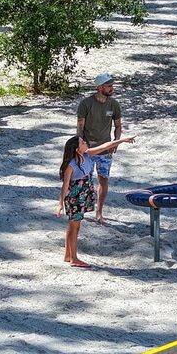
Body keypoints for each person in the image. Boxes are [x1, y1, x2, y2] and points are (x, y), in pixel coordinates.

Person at [57, 133, 135, 267]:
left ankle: (68, 255)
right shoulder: (71, 165)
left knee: (74, 225)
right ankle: (74, 258)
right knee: (74, 226)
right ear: (77, 149)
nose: (85, 143)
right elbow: (65, 186)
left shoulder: (87, 154)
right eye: (82, 142)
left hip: (83, 195)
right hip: (75, 198)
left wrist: (121, 140)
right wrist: (60, 204)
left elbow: (105, 146)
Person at [76, 74, 124, 224]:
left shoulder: (114, 104)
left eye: (112, 86)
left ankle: (99, 212)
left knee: (103, 179)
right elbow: (80, 127)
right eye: (109, 86)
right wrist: (79, 145)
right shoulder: (85, 104)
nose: (112, 88)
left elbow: (118, 126)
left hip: (105, 149)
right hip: (88, 149)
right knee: (84, 179)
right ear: (99, 87)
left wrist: (116, 142)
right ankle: (81, 210)